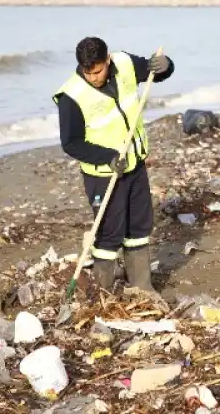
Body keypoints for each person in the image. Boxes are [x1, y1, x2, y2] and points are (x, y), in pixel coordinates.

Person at [52, 37, 175, 293]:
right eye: (88, 72)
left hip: (134, 164)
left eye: (97, 70)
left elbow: (154, 73)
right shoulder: (71, 96)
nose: (93, 77)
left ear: (107, 60)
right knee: (109, 234)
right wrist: (106, 156)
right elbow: (71, 143)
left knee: (139, 227)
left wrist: (166, 65)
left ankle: (141, 286)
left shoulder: (125, 63)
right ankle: (104, 292)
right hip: (103, 174)